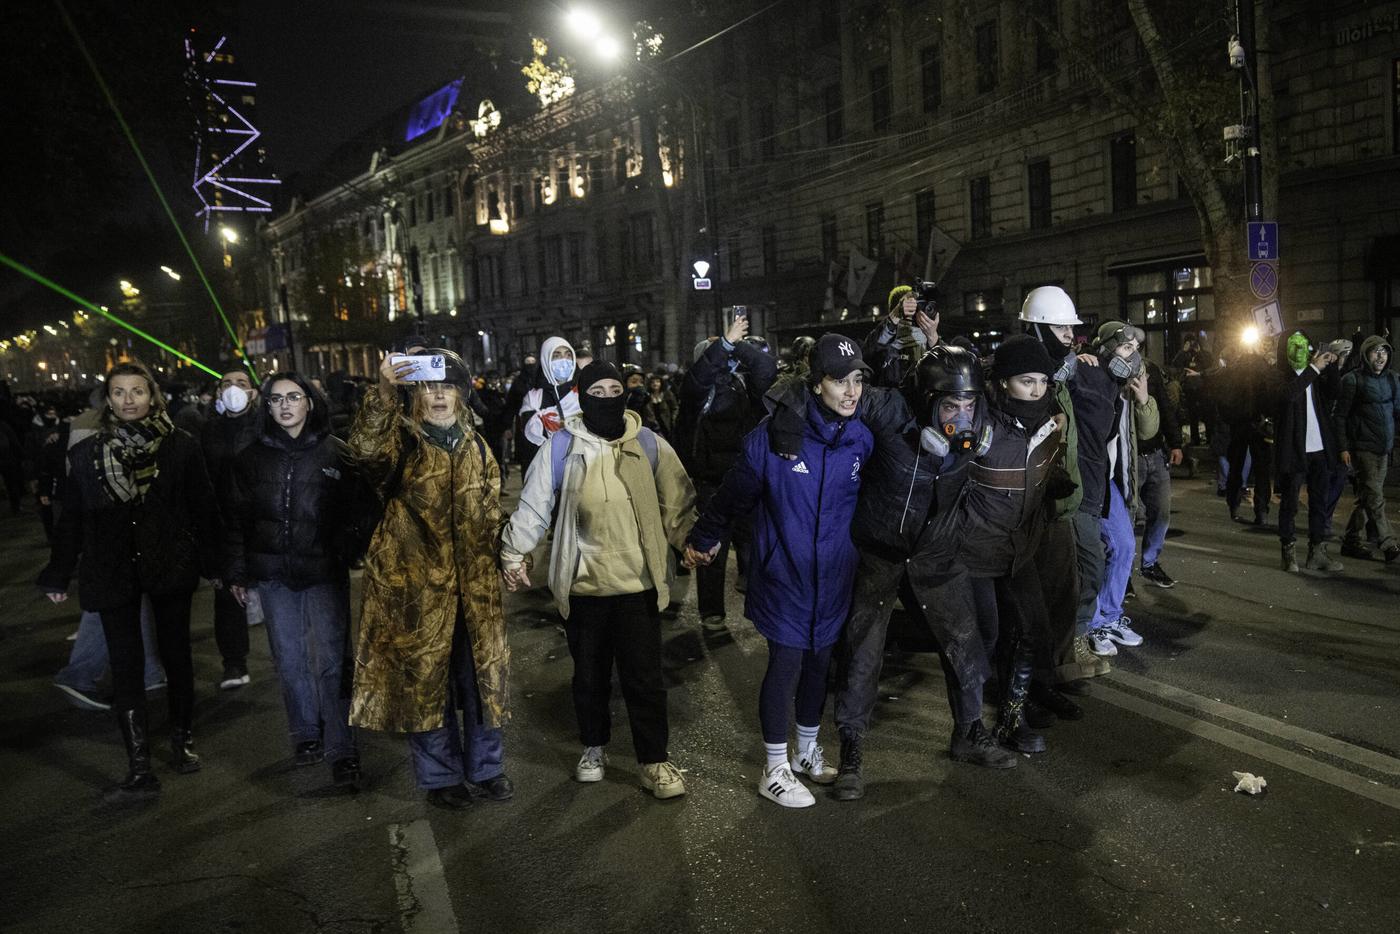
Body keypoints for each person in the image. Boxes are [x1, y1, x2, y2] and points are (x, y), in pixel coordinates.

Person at [686, 334, 875, 807]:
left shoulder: (861, 439)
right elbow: (731, 499)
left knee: (819, 665)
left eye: (857, 380)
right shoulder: (771, 440)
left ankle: (808, 750)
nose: (851, 392)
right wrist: (703, 539)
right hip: (783, 576)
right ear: (815, 385)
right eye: (838, 381)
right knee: (787, 665)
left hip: (832, 578)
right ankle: (775, 768)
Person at [500, 361, 698, 800]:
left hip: (639, 586)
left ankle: (654, 761)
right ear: (583, 395)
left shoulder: (649, 443)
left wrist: (692, 540)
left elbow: (679, 502)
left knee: (645, 679)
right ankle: (594, 747)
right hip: (584, 587)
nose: (608, 397)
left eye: (615, 388)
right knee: (589, 677)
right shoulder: (561, 446)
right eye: (598, 390)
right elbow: (534, 507)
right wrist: (514, 550)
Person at [37, 360, 222, 798]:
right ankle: (139, 763)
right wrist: (58, 572)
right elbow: (73, 520)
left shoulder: (180, 446)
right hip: (112, 567)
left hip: (168, 563)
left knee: (176, 655)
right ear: (108, 399)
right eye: (119, 393)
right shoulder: (86, 455)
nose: (128, 401)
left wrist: (216, 565)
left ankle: (182, 741)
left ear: (152, 395)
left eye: (137, 391)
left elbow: (204, 507)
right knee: (126, 666)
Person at [348, 348, 512, 810]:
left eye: (447, 387)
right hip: (415, 595)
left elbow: (489, 510)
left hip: (475, 591)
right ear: (414, 395)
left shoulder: (478, 446)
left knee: (481, 682)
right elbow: (363, 451)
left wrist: (511, 554)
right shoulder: (400, 443)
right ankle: (441, 777)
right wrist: (383, 390)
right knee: (426, 686)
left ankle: (487, 769)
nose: (438, 395)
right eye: (428, 387)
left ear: (461, 394)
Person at [224, 373, 362, 786]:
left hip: (323, 571)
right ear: (266, 407)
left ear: (309, 403)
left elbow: (356, 512)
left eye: (294, 397)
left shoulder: (336, 454)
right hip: (273, 574)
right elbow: (235, 520)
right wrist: (237, 570)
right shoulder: (250, 458)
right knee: (290, 659)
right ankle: (306, 733)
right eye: (276, 399)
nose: (285, 406)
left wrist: (346, 548)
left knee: (334, 663)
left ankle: (343, 748)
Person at [962, 335, 1065, 755]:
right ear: (1004, 382)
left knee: (1026, 632)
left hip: (1019, 549)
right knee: (981, 639)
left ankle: (1012, 719)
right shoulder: (981, 422)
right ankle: (968, 728)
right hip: (974, 550)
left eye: (1042, 381)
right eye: (1027, 381)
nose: (1037, 390)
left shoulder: (1048, 422)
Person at [675, 315, 778, 632]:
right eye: (719, 355)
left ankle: (758, 603)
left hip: (746, 479)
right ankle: (712, 612)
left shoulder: (744, 386)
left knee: (754, 545)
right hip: (711, 483)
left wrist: (738, 347)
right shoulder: (696, 392)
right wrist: (725, 344)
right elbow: (698, 378)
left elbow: (766, 370)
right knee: (711, 552)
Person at [1082, 323, 1159, 657]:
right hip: (1086, 479)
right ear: (1107, 350)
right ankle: (1092, 623)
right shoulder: (1087, 375)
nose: (1133, 357)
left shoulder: (1127, 387)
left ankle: (1111, 617)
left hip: (1112, 480)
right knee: (1093, 557)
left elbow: (1148, 432)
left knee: (1125, 546)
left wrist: (1143, 399)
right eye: (1126, 350)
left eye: (1135, 351)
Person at [201, 368, 262, 690]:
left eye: (241, 384)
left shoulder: (265, 422)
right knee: (228, 597)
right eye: (227, 384)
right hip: (226, 524)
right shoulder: (209, 429)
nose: (234, 389)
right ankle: (234, 663)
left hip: (263, 521)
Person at [1273, 331, 1344, 573]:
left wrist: (1332, 367)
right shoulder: (1278, 376)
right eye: (1295, 347)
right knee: (1290, 504)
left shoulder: (1315, 373)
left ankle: (1317, 552)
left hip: (1319, 449)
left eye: (1304, 346)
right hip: (1294, 451)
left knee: (1319, 502)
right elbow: (1288, 395)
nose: (1300, 351)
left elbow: (1334, 393)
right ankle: (1288, 552)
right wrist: (1313, 369)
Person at [1335, 336, 1400, 563]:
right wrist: (1343, 447)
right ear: (1365, 355)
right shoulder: (1352, 380)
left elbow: (1398, 411)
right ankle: (1388, 541)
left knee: (1368, 497)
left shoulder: (1393, 380)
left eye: (1384, 351)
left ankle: (1351, 540)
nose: (1381, 356)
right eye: (1375, 352)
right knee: (1375, 496)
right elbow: (1340, 416)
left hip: (1384, 448)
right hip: (1362, 448)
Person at [1136, 359, 1184, 588]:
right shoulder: (1109, 369)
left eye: (1135, 345)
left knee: (1161, 513)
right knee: (1125, 521)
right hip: (1130, 457)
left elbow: (1164, 406)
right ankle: (1121, 576)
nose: (1132, 348)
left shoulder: (1149, 369)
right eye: (1126, 345)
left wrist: (1176, 442)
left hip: (1155, 453)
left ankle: (1150, 563)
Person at [520, 337, 581, 449]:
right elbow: (529, 444)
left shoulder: (584, 391)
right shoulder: (534, 399)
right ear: (545, 360)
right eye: (556, 356)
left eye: (568, 355)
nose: (564, 360)